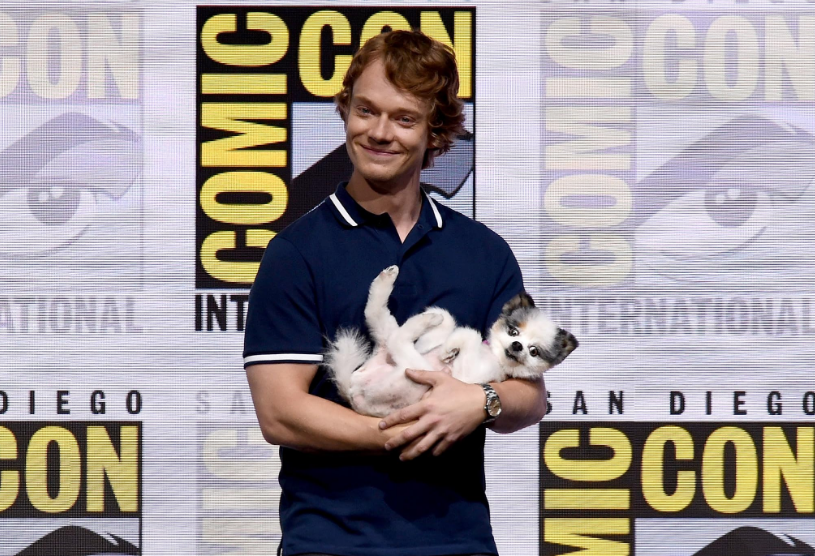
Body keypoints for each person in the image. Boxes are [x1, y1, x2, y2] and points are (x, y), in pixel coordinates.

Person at [244, 29, 546, 556]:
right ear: (345, 110)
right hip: (330, 544)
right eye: (366, 110)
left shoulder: (487, 252)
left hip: (459, 543)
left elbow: (532, 395)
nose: (379, 132)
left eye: (404, 119)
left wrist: (481, 401)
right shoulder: (294, 253)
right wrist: (410, 427)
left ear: (435, 131)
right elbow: (279, 412)